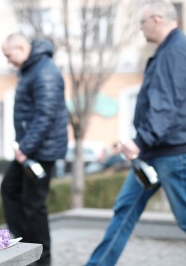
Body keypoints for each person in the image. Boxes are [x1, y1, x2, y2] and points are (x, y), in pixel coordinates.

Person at [86, 1, 186, 265]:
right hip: (153, 153)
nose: (140, 29)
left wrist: (141, 140)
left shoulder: (175, 50)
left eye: (141, 23)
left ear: (156, 19)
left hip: (171, 154)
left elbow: (167, 104)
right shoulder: (167, 50)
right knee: (124, 211)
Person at [0, 33, 68, 265]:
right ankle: (23, 249)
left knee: (34, 205)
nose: (8, 61)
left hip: (40, 151)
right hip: (31, 150)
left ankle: (41, 259)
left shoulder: (44, 70)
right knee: (10, 189)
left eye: (9, 55)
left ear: (21, 47)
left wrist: (25, 148)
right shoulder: (33, 68)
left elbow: (45, 115)